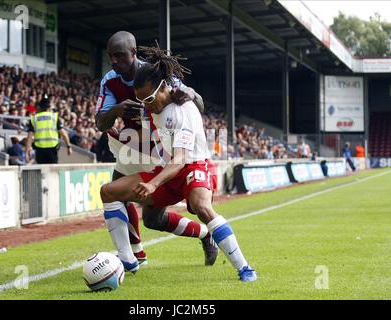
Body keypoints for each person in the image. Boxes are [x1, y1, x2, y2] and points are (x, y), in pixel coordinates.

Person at [100, 47, 257, 282]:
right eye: (142, 100)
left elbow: (180, 159)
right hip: (166, 169)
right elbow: (156, 137)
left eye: (150, 99)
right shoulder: (153, 104)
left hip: (193, 166)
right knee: (111, 193)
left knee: (201, 208)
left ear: (164, 87)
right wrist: (119, 134)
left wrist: (152, 184)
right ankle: (128, 261)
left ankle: (245, 269)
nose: (147, 105)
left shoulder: (180, 109)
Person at [95, 31, 217, 272]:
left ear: (133, 53)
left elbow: (200, 104)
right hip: (131, 146)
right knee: (114, 194)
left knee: (153, 219)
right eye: (111, 57)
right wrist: (117, 110)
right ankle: (132, 257)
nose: (114, 62)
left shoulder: (156, 74)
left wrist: (191, 94)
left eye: (119, 56)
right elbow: (100, 123)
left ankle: (205, 233)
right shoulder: (110, 81)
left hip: (160, 150)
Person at [26, 94, 73, 164]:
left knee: (42, 172)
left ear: (39, 107)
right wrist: (68, 146)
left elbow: (29, 137)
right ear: (49, 107)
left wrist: (27, 151)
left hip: (40, 150)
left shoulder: (34, 119)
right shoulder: (54, 117)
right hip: (52, 149)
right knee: (53, 172)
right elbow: (63, 134)